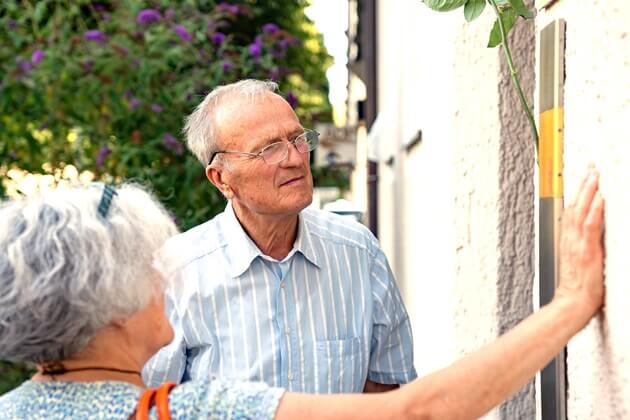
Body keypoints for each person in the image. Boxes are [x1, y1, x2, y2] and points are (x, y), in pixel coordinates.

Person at [0, 170, 605, 419]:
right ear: (111, 308)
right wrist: (571, 304)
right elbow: (417, 411)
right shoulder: (186, 410)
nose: (167, 279)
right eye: (149, 269)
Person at [143, 80, 416, 393]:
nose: (295, 158)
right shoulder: (177, 273)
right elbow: (150, 405)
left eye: (298, 139)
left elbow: (386, 395)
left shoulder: (358, 253)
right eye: (269, 149)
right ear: (222, 179)